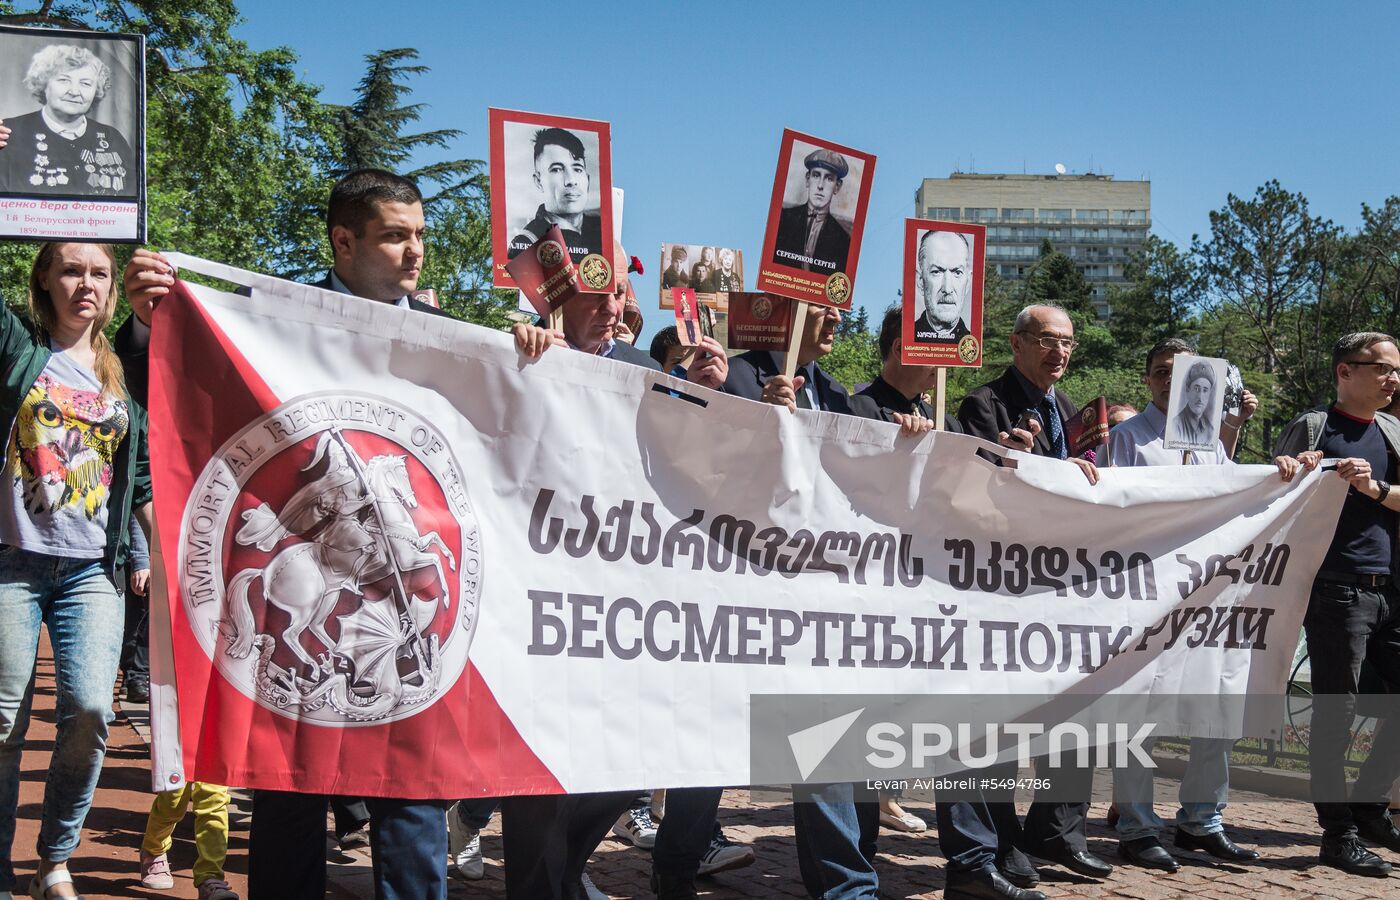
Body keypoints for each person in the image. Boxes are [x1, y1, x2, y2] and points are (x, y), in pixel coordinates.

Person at [121, 169, 555, 900]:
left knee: (413, 796)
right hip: (319, 579)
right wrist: (147, 319)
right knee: (289, 796)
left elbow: (514, 436)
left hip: (410, 608)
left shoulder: (452, 341)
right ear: (343, 241)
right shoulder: (272, 316)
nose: (415, 251)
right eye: (395, 236)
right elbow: (166, 380)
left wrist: (531, 354)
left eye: (419, 234)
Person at [502, 242, 729, 900]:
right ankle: (540, 888)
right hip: (542, 587)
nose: (613, 307)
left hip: (626, 593)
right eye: (596, 296)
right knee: (541, 770)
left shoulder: (644, 368)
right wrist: (515, 358)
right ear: (559, 299)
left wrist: (706, 394)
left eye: (618, 296)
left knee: (629, 757)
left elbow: (695, 463)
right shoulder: (519, 354)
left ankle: (567, 871)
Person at [0, 241, 153, 900]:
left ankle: (53, 858)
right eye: (69, 269)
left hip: (94, 569)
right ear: (44, 278)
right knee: (3, 723)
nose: (84, 283)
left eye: (98, 272)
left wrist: (170, 558)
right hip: (12, 562)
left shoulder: (123, 370)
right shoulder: (19, 348)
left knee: (91, 712)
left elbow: (140, 474)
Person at [1106, 338, 1277, 874]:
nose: (1169, 382)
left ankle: (1202, 819)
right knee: (1136, 714)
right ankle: (1136, 825)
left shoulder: (1213, 442)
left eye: (1180, 374)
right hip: (1146, 593)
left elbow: (1230, 500)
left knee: (1215, 703)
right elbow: (1110, 511)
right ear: (1148, 379)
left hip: (1206, 593)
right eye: (1160, 372)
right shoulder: (1127, 437)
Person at [957, 304, 1107, 888]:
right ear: (1017, 343)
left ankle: (1058, 831)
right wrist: (1011, 458)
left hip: (1061, 589)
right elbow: (968, 484)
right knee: (998, 722)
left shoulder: (1070, 411)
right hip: (1001, 588)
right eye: (1048, 340)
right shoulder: (983, 403)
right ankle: (998, 841)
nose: (1060, 352)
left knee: (1073, 711)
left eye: (1068, 342)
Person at [1274, 331, 1400, 877]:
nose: (1393, 379)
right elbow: (1270, 489)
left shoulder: (1393, 432)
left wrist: (1373, 488)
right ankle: (1338, 833)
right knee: (1335, 715)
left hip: (1390, 589)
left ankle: (1370, 808)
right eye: (1382, 368)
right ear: (1345, 372)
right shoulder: (1313, 427)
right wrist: (1294, 466)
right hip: (1334, 590)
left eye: (1397, 369)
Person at [0, 45, 136, 197]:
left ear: (96, 91)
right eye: (64, 80)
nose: (74, 92)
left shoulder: (112, 138)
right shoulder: (8, 133)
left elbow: (132, 202)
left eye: (85, 83)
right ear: (44, 85)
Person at [507, 127, 602, 260]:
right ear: (538, 181)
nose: (571, 180)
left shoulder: (601, 229)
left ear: (587, 179)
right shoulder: (527, 243)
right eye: (557, 169)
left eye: (577, 169)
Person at [138, 781, 238, 899]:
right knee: (172, 803)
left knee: (214, 800)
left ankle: (210, 876)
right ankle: (154, 849)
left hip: (212, 762)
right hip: (178, 762)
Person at [773, 149, 852, 275]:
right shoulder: (782, 220)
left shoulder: (843, 240)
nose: (820, 185)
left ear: (837, 186)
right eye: (816, 175)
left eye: (829, 178)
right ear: (807, 179)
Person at [912, 231, 972, 344]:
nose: (947, 289)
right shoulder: (906, 342)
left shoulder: (973, 346)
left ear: (968, 282)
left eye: (957, 272)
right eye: (936, 272)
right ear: (920, 281)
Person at [119, 513, 152, 702]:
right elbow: (137, 509)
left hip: (172, 551)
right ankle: (134, 677)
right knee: (138, 617)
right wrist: (141, 558)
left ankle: (135, 677)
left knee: (144, 617)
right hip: (138, 556)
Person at [1169, 359, 1218, 449]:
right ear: (1188, 390)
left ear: (1209, 394)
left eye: (1205, 390)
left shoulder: (1210, 430)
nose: (1200, 397)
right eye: (1196, 389)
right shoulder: (1175, 425)